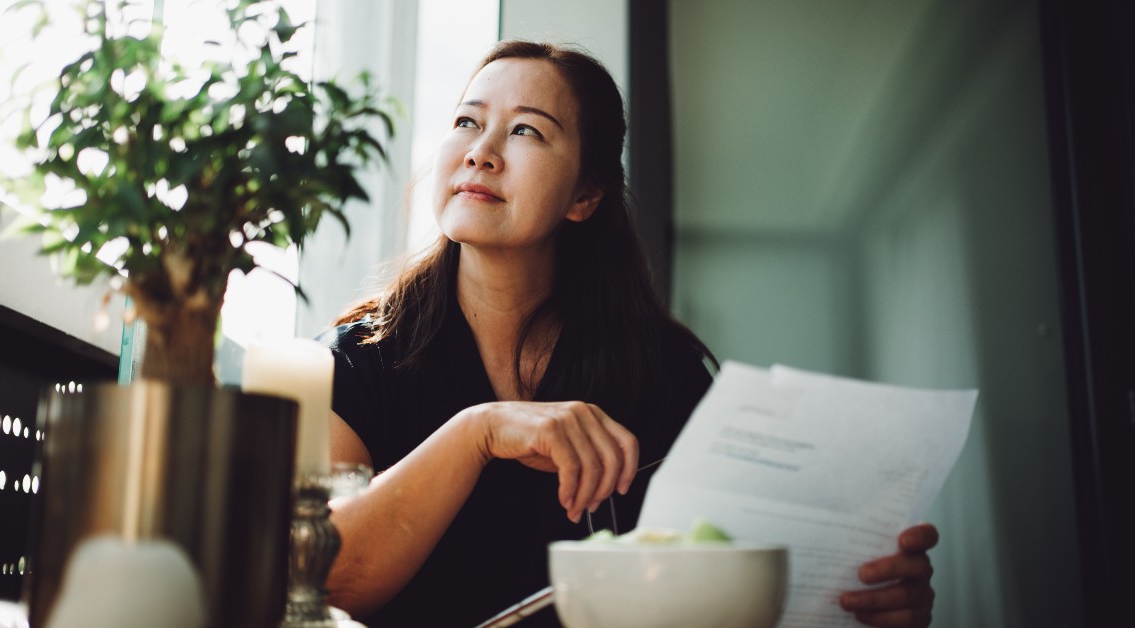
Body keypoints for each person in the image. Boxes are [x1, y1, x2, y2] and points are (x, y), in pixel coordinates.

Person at [320, 40, 939, 628]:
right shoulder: (356, 361)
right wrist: (478, 432)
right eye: (466, 122)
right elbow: (324, 579)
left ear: (585, 194)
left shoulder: (662, 372)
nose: (481, 151)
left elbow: (718, 592)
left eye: (526, 130)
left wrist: (856, 592)